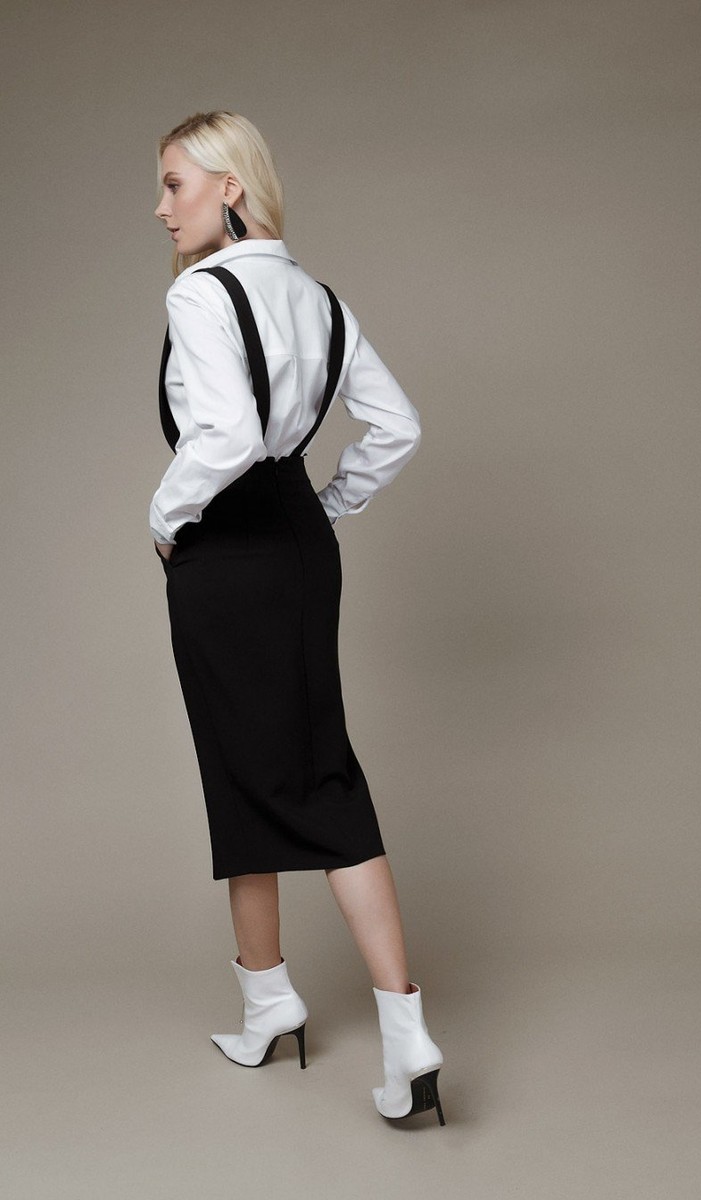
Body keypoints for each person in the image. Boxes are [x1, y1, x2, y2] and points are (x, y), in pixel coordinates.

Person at [150, 110, 444, 1126]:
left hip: (227, 552)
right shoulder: (319, 299)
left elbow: (228, 433)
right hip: (301, 549)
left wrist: (165, 516)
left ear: (230, 186)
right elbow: (397, 424)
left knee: (248, 769)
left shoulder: (199, 293)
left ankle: (281, 1005)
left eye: (175, 184)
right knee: (314, 766)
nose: (161, 208)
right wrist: (324, 505)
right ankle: (369, 1023)